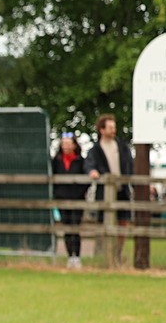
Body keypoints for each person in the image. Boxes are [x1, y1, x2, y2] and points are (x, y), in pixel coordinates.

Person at [84, 114, 134, 264]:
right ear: (101, 129)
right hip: (104, 192)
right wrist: (92, 171)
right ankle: (104, 254)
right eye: (110, 127)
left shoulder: (122, 146)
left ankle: (118, 253)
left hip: (122, 190)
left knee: (123, 222)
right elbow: (89, 164)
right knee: (103, 222)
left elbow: (131, 165)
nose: (114, 130)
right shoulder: (95, 149)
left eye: (114, 127)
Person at [52, 132, 88, 268]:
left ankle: (76, 256)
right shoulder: (56, 161)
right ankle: (69, 256)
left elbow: (86, 180)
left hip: (77, 199)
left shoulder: (80, 161)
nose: (65, 146)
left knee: (75, 226)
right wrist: (57, 193)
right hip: (62, 198)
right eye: (63, 143)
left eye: (68, 143)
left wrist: (79, 192)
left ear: (74, 145)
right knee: (66, 227)